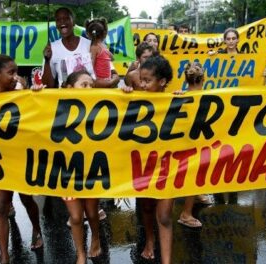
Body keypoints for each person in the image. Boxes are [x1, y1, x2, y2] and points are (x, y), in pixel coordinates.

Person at [32, 70, 102, 264]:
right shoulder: (55, 107)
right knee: (76, 216)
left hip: (92, 171)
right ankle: (80, 252)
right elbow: (35, 118)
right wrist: (35, 95)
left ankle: (95, 238)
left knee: (92, 212)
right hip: (67, 173)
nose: (89, 89)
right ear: (70, 88)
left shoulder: (101, 108)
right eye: (84, 84)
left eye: (91, 85)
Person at [122, 55, 175, 264]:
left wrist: (184, 100)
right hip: (142, 164)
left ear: (162, 82)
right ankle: (150, 241)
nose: (141, 84)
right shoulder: (134, 99)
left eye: (147, 81)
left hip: (168, 167)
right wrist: (124, 96)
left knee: (164, 216)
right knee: (145, 207)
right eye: (140, 79)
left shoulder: (175, 101)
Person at [0, 55, 43, 264]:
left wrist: (35, 95)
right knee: (2, 206)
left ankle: (37, 231)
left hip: (21, 158)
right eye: (10, 73)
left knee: (27, 199)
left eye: (16, 72)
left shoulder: (21, 95)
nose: (16, 77)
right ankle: (4, 256)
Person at [42, 7, 119, 89]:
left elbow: (112, 73)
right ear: (56, 25)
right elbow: (47, 85)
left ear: (73, 22)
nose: (62, 22)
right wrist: (47, 61)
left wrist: (112, 81)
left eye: (66, 18)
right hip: (66, 99)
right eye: (58, 20)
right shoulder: (52, 49)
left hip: (91, 98)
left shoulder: (91, 45)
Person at [172, 62, 207, 229]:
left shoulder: (180, 96)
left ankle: (195, 197)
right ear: (204, 78)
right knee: (194, 176)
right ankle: (186, 214)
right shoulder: (210, 97)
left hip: (184, 143)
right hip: (197, 144)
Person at [86, 18, 113, 87]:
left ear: (88, 34)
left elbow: (91, 65)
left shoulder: (95, 47)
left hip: (101, 81)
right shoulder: (102, 46)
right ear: (104, 33)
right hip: (104, 80)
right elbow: (112, 58)